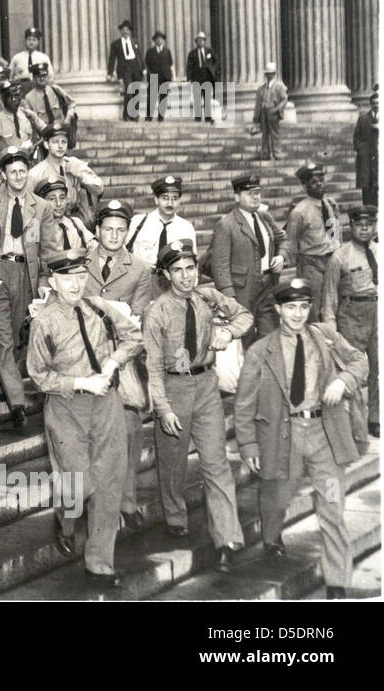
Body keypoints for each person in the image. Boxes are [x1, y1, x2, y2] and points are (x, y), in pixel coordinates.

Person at [234, 278, 368, 600]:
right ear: (278, 309)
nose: (298, 314)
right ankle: (271, 536)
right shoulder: (260, 351)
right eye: (290, 307)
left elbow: (359, 361)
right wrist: (249, 445)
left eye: (304, 307)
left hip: (325, 437)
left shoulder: (325, 336)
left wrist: (343, 382)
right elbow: (244, 403)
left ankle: (337, 582)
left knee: (333, 506)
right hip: (283, 438)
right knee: (277, 498)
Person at [26, 249, 142, 588]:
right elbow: (38, 375)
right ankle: (65, 519)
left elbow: (134, 336)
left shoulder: (99, 308)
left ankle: (100, 564)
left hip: (106, 403)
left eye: (80, 277)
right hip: (66, 407)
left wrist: (113, 362)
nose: (75, 284)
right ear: (53, 281)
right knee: (78, 483)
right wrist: (80, 382)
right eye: (67, 278)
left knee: (108, 483)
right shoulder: (44, 322)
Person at [144, 240, 250, 570]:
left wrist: (229, 333)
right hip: (174, 387)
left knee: (216, 461)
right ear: (165, 274)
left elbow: (244, 315)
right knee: (173, 461)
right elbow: (153, 366)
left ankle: (227, 537)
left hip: (206, 385)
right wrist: (163, 408)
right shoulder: (157, 311)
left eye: (191, 268)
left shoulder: (207, 297)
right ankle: (175, 516)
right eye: (178, 270)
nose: (187, 276)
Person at [0, 145, 63, 433]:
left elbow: (49, 250)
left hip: (27, 275)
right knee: (3, 337)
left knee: (19, 336)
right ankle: (17, 403)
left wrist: (44, 283)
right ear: (4, 175)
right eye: (12, 172)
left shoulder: (41, 207)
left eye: (22, 171)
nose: (18, 176)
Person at [83, 200, 154, 528]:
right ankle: (87, 500)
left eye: (120, 230)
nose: (113, 235)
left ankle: (127, 502)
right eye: (107, 229)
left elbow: (137, 316)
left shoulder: (140, 269)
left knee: (128, 430)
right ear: (96, 231)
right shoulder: (78, 263)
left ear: (128, 232)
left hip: (121, 361)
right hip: (82, 359)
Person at [208, 173, 289, 345]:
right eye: (249, 193)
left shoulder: (264, 217)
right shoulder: (227, 224)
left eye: (257, 192)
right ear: (236, 196)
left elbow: (283, 238)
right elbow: (220, 266)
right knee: (245, 336)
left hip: (268, 285)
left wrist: (281, 256)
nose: (255, 197)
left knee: (270, 336)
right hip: (242, 290)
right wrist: (229, 298)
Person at [322, 205, 379, 440]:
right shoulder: (340, 257)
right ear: (351, 226)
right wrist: (330, 331)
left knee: (379, 368)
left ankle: (375, 417)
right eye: (359, 225)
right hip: (351, 314)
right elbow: (329, 297)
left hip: (377, 313)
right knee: (353, 370)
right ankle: (355, 426)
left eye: (369, 225)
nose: (365, 229)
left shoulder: (379, 250)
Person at [286, 161, 342, 322]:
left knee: (331, 304)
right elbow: (291, 241)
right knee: (314, 306)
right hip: (311, 264)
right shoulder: (299, 212)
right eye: (314, 183)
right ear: (305, 186)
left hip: (331, 261)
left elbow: (334, 232)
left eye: (321, 181)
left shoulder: (329, 205)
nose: (319, 185)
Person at [26, 129, 102, 229]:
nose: (60, 146)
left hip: (75, 221)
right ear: (46, 144)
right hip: (49, 224)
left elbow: (99, 188)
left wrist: (79, 174)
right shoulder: (36, 173)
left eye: (64, 142)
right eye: (55, 142)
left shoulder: (74, 163)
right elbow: (28, 207)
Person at [125, 175, 197, 273]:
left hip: (171, 283)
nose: (170, 203)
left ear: (179, 201)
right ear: (156, 200)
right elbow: (123, 253)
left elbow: (193, 263)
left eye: (174, 198)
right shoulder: (138, 222)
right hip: (141, 279)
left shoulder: (186, 228)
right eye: (165, 198)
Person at [24, 61, 78, 149]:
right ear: (34, 77)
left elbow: (72, 103)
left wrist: (68, 119)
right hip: (42, 139)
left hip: (60, 134)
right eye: (38, 76)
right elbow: (30, 122)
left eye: (44, 75)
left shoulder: (55, 90)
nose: (42, 78)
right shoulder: (29, 98)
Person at [0, 79, 44, 153]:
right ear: (3, 98)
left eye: (16, 95)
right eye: (9, 96)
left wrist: (35, 146)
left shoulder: (29, 116)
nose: (14, 99)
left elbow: (48, 132)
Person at [106, 19, 146, 121]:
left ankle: (134, 115)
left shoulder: (134, 42)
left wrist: (144, 68)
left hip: (136, 68)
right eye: (123, 29)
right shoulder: (116, 44)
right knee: (129, 90)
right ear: (121, 31)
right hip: (125, 69)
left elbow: (139, 56)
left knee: (136, 91)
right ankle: (127, 114)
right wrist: (109, 73)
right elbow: (112, 59)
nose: (125, 31)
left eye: (127, 29)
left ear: (130, 31)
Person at [36, 180, 91, 251]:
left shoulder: (76, 223)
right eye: (52, 199)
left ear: (67, 200)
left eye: (62, 198)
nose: (58, 204)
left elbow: (93, 245)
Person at [252, 61, 288, 160]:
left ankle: (277, 153)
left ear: (274, 74)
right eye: (267, 74)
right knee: (265, 134)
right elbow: (258, 104)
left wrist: (278, 109)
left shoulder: (279, 87)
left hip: (273, 112)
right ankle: (265, 153)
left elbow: (285, 99)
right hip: (264, 113)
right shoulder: (262, 88)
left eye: (270, 73)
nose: (268, 75)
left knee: (275, 134)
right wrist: (256, 118)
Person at [185, 31, 218, 123]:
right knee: (197, 97)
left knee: (207, 97)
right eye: (198, 40)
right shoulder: (192, 53)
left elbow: (216, 61)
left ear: (204, 41)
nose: (200, 42)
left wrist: (212, 69)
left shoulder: (209, 51)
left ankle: (208, 117)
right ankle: (198, 117)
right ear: (196, 42)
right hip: (197, 77)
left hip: (207, 77)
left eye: (202, 40)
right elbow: (189, 66)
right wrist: (189, 78)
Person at [352, 85, 378, 201]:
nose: (376, 105)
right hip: (366, 158)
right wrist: (362, 150)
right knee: (366, 187)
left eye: (378, 102)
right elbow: (356, 137)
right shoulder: (363, 119)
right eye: (374, 103)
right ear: (370, 104)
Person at [8, 26, 52, 90]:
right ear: (25, 41)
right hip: (21, 88)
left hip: (38, 87)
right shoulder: (17, 58)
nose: (31, 42)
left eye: (34, 40)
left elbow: (50, 76)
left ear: (38, 42)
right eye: (29, 39)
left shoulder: (44, 57)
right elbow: (10, 76)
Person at [145, 30, 174, 122]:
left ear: (163, 40)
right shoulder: (150, 51)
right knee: (152, 97)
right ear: (154, 41)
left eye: (161, 39)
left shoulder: (167, 51)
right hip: (154, 76)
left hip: (164, 77)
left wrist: (172, 76)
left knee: (163, 97)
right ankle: (149, 116)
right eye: (157, 39)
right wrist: (148, 75)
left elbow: (171, 64)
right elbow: (147, 64)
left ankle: (161, 116)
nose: (159, 40)